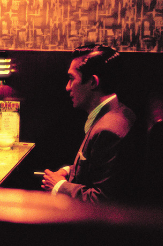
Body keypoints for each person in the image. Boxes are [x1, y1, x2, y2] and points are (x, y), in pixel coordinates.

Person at [41, 44, 136, 203]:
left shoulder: (108, 131)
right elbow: (98, 167)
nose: (67, 87)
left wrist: (59, 186)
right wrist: (68, 171)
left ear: (92, 82)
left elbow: (103, 200)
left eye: (72, 79)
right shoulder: (119, 111)